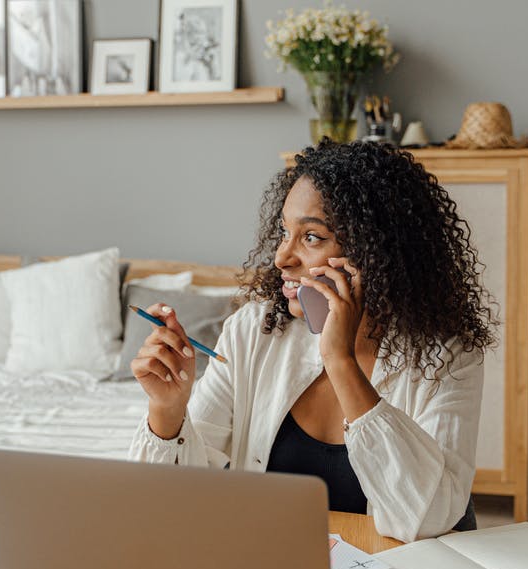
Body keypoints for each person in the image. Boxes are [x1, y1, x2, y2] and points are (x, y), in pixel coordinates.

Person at [128, 140, 496, 541]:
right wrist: (167, 409)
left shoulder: (446, 358)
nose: (282, 258)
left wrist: (340, 361)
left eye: (312, 237)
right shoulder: (254, 331)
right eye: (285, 232)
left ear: (377, 252)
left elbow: (429, 519)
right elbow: (174, 500)